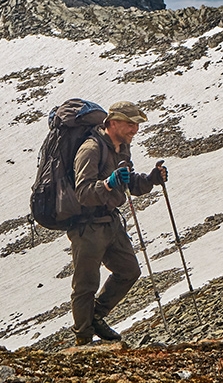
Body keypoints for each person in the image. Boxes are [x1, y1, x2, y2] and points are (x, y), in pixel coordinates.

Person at [68, 100, 168, 345]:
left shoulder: (122, 147)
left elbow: (129, 182)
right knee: (86, 284)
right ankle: (83, 338)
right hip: (87, 226)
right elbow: (82, 192)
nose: (135, 129)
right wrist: (108, 183)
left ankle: (96, 316)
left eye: (136, 124)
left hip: (110, 221)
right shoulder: (90, 149)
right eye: (130, 124)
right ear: (113, 123)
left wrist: (151, 179)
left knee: (129, 270)